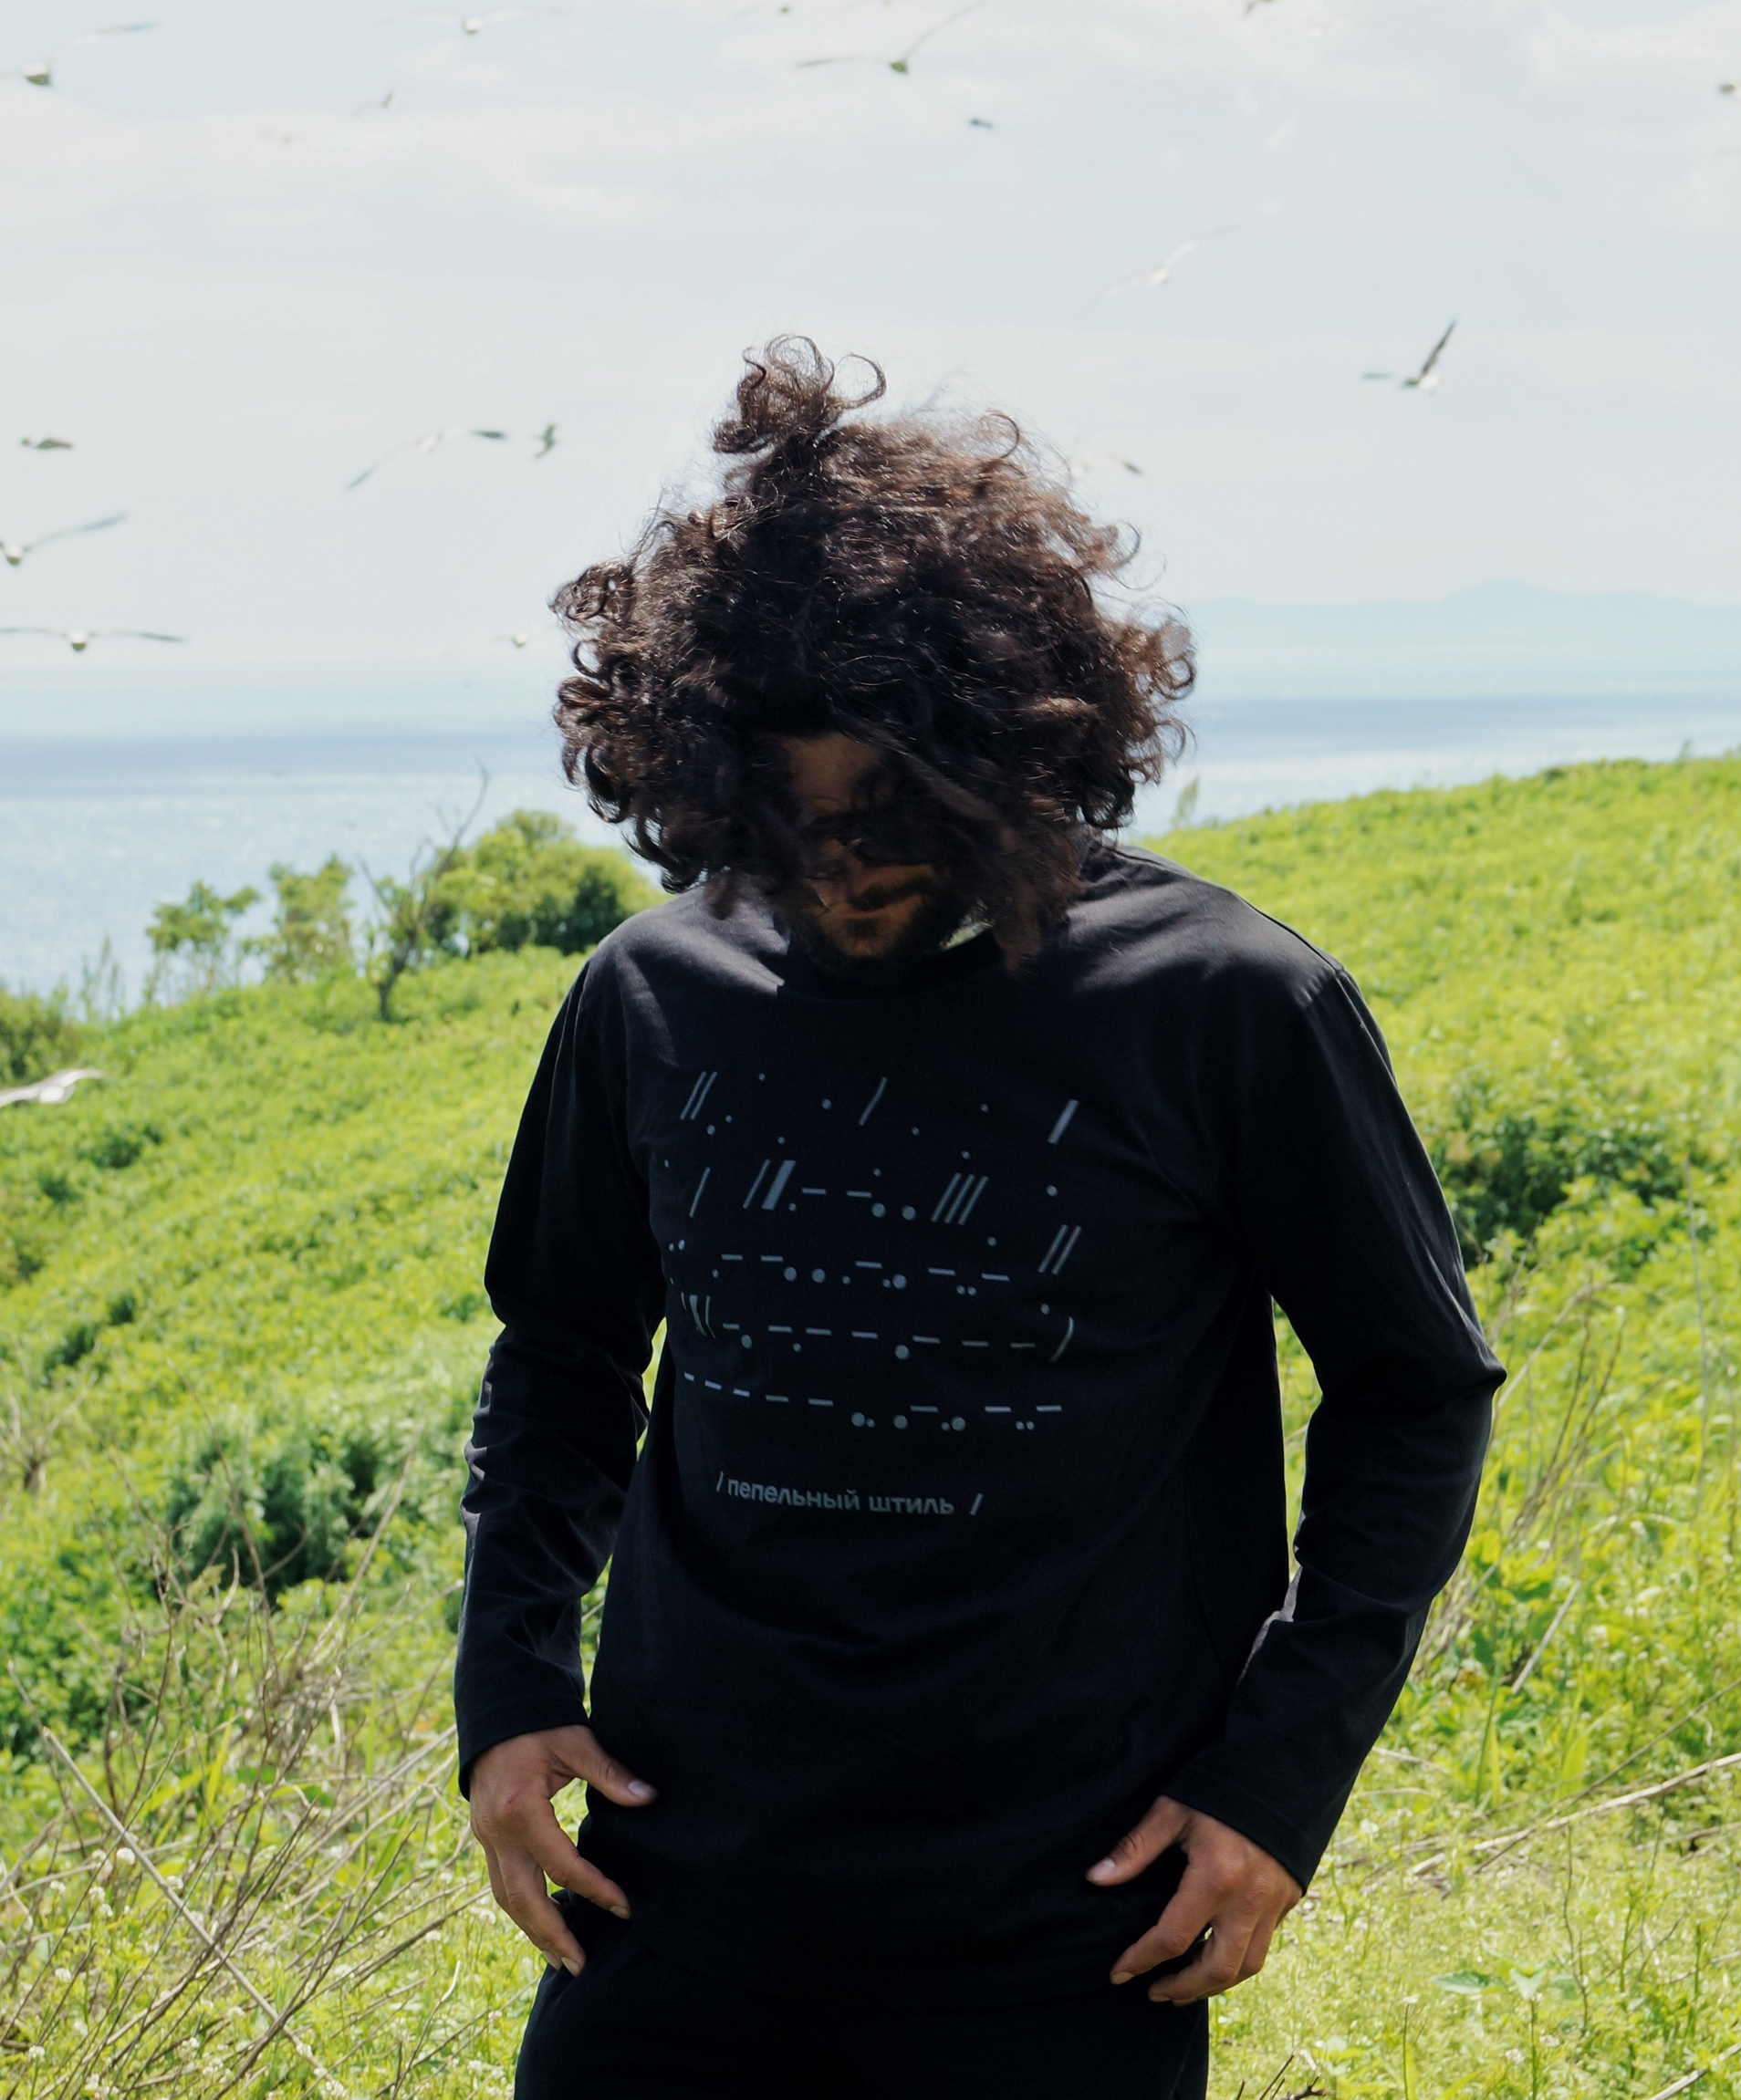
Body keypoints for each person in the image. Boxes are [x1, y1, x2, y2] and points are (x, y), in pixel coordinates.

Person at [455, 338, 1503, 2099]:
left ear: (1008, 749)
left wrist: (1279, 1782)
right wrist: (506, 1688)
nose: (840, 859)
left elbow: (1418, 1389)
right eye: (784, 813)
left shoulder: (1225, 1004)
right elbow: (562, 1352)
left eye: (890, 808)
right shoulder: (648, 993)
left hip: (1066, 1929)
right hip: (675, 1895)